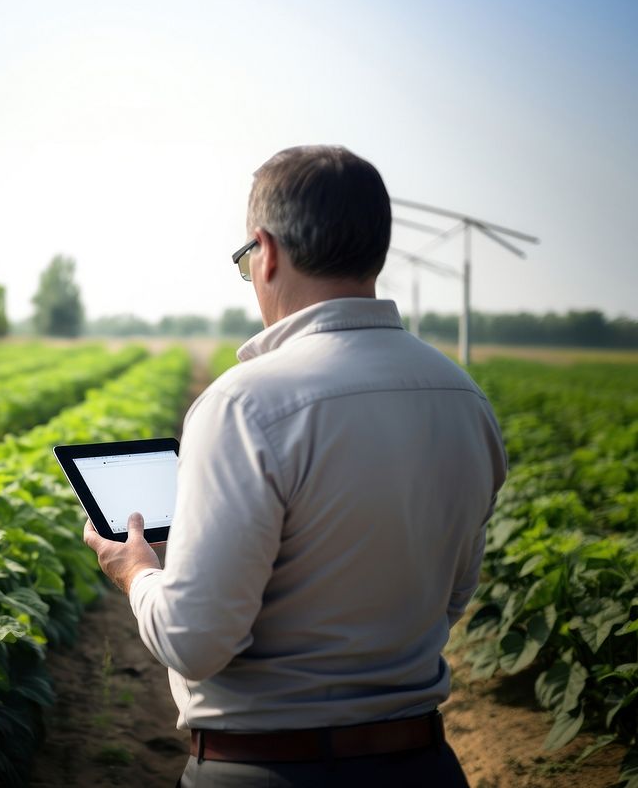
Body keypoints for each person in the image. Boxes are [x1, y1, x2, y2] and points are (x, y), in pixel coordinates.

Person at [83, 145, 508, 787]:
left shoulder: (244, 403)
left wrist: (137, 570)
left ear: (267, 250)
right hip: (423, 766)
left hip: (269, 770)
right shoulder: (463, 397)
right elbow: (450, 598)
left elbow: (195, 643)